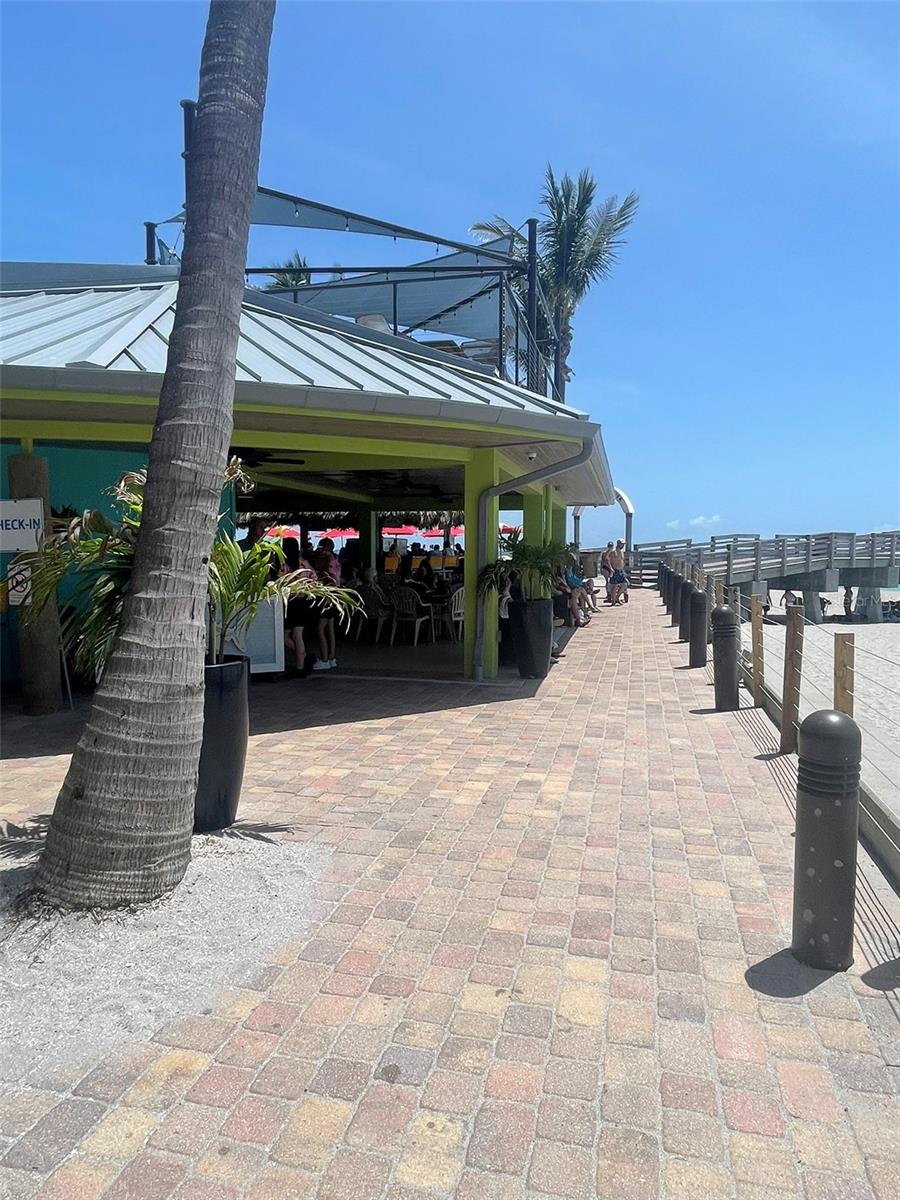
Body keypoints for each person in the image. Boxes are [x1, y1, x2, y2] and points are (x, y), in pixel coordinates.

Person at [280, 537, 314, 675]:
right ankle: (303, 659)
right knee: (297, 634)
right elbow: (314, 578)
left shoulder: (285, 565)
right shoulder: (304, 563)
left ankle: (301, 663)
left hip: (291, 601)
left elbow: (279, 580)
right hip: (303, 601)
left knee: (286, 635)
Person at [310, 549, 338, 670]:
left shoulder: (321, 576)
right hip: (332, 604)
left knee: (320, 630)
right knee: (330, 630)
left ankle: (324, 659)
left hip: (325, 605)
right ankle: (331, 657)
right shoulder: (331, 575)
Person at [608, 540, 627, 605]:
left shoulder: (622, 551)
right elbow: (607, 559)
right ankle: (613, 601)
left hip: (621, 571)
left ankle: (617, 598)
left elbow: (622, 561)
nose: (623, 545)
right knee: (614, 586)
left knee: (624, 585)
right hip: (615, 570)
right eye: (622, 544)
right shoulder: (613, 551)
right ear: (618, 544)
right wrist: (610, 568)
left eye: (623, 544)